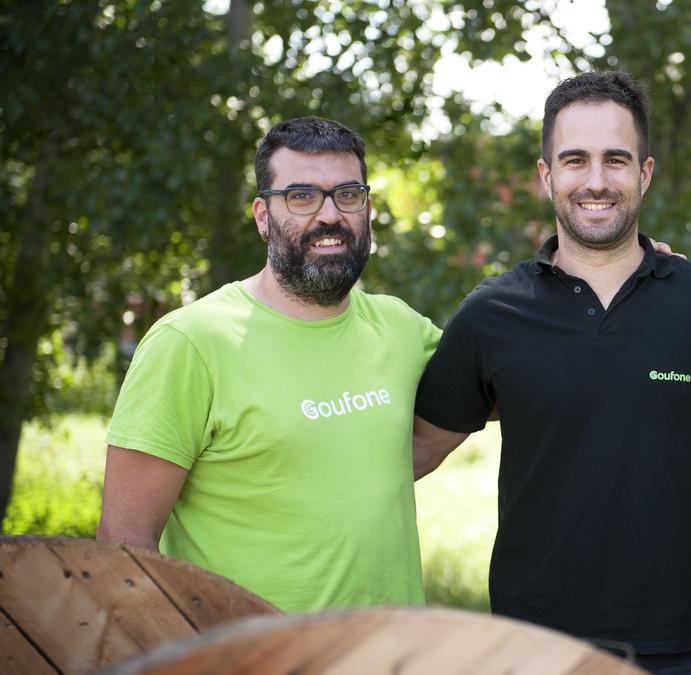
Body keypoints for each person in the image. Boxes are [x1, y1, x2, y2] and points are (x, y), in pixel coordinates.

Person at [411, 72, 691, 673]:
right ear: (546, 175)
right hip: (533, 650)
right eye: (574, 160)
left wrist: (676, 484)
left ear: (645, 173)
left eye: (616, 160)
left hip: (681, 647)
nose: (596, 181)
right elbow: (414, 451)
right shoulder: (493, 314)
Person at [96, 117, 441, 612]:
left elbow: (503, 383)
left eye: (348, 195)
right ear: (262, 215)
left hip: (395, 656)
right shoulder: (191, 342)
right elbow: (123, 543)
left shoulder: (402, 328)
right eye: (301, 196)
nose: (330, 215)